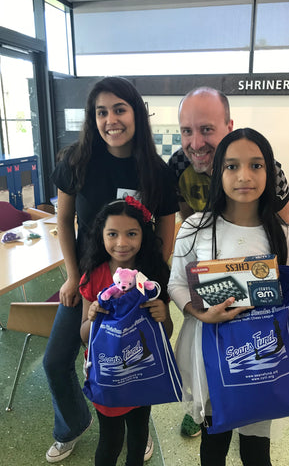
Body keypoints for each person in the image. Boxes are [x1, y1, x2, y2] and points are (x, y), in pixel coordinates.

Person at [43, 76, 178, 463]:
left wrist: (157, 286)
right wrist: (71, 275)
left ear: (136, 114)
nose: (111, 120)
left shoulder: (155, 170)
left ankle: (139, 429)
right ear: (92, 118)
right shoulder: (75, 161)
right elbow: (64, 219)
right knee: (55, 361)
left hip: (137, 285)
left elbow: (165, 234)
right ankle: (73, 424)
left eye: (120, 109)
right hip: (88, 282)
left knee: (135, 359)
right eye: (101, 112)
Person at [168, 128, 289, 466]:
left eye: (256, 165)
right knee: (214, 441)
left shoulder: (285, 236)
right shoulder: (194, 230)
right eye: (232, 166)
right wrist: (198, 312)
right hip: (211, 354)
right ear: (218, 171)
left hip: (262, 357)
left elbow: (282, 296)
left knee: (255, 449)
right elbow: (175, 283)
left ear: (271, 172)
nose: (244, 176)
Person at [79, 198, 173, 466]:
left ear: (144, 234)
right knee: (109, 442)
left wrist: (162, 316)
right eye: (112, 234)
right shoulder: (93, 276)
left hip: (142, 372)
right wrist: (92, 318)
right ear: (101, 236)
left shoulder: (153, 277)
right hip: (106, 374)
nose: (122, 243)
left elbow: (165, 333)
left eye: (131, 233)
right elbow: (84, 334)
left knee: (139, 436)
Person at [168, 86, 289, 227]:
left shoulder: (268, 169)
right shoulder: (178, 165)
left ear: (229, 128)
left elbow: (286, 230)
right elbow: (190, 224)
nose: (196, 145)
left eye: (207, 130)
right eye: (187, 131)